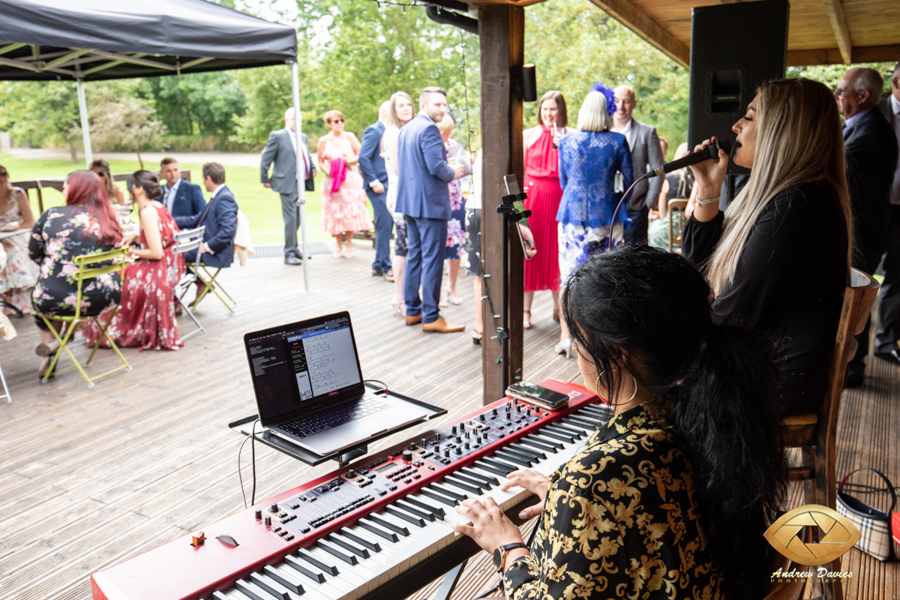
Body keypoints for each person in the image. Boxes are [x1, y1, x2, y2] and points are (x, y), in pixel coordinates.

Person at [453, 244, 786, 600]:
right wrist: (574, 505)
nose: (578, 354)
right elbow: (655, 513)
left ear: (616, 356)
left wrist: (508, 547)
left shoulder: (594, 479)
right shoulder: (712, 414)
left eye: (580, 340)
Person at [683, 78, 853, 416]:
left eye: (749, 116)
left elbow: (733, 313)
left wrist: (671, 349)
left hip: (772, 376)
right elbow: (699, 262)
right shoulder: (785, 196)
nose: (736, 127)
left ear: (782, 129)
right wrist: (708, 187)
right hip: (763, 358)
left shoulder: (798, 205)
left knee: (648, 380)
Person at [554, 86, 633, 357]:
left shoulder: (566, 142)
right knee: (605, 277)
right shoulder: (618, 142)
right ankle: (600, 339)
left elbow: (564, 182)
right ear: (607, 112)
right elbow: (630, 181)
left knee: (568, 278)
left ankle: (566, 337)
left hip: (570, 218)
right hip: (606, 217)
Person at [835, 67, 900, 385]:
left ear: (863, 96)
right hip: (861, 229)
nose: (837, 95)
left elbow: (834, 169)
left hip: (863, 232)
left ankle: (852, 369)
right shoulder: (858, 127)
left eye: (841, 90)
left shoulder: (872, 132)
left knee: (856, 297)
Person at [29, 170, 123, 378]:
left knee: (46, 298)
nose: (63, 191)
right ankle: (68, 333)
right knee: (69, 293)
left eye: (64, 187)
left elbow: (33, 253)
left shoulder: (51, 215)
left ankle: (52, 345)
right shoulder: (109, 217)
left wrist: (55, 265)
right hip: (106, 297)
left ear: (76, 190)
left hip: (56, 299)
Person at [84, 171, 185, 351]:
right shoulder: (157, 206)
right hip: (168, 266)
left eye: (130, 186)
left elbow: (156, 253)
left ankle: (114, 330)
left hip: (157, 269)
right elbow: (163, 238)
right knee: (118, 272)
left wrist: (130, 252)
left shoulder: (147, 212)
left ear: (138, 189)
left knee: (109, 278)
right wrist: (136, 238)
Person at [395, 86, 466, 333]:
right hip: (429, 205)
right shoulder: (428, 129)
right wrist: (455, 172)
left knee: (415, 254)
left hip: (410, 203)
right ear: (423, 105)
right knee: (433, 259)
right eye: (437, 104)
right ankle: (432, 316)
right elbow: (438, 167)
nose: (442, 109)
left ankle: (413, 311)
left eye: (444, 105)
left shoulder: (407, 128)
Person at [520, 91, 568, 330]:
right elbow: (517, 170)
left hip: (558, 200)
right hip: (531, 201)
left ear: (561, 111)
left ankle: (559, 308)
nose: (548, 114)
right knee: (529, 252)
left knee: (557, 253)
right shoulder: (528, 135)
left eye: (553, 109)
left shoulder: (570, 135)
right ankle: (525, 311)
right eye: (545, 109)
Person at [174, 162, 238, 305]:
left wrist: (207, 247)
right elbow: (196, 219)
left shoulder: (224, 198)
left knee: (170, 256)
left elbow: (228, 231)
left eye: (203, 179)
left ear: (208, 178)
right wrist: (169, 220)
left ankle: (173, 302)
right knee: (172, 252)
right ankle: (199, 284)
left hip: (215, 252)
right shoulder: (219, 196)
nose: (203, 183)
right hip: (201, 243)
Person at [611, 85, 665, 245]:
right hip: (607, 206)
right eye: (617, 101)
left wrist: (649, 204)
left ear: (634, 104)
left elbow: (659, 170)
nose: (620, 106)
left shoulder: (647, 132)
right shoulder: (602, 129)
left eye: (626, 102)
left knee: (633, 257)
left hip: (636, 205)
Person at [260, 107, 313, 266]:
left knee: (297, 218)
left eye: (299, 120)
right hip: (286, 184)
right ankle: (288, 253)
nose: (296, 123)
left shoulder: (302, 137)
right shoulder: (278, 136)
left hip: (300, 184)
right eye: (293, 119)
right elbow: (266, 158)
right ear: (286, 120)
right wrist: (265, 178)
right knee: (290, 219)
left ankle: (294, 248)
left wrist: (313, 168)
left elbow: (306, 156)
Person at [317, 109, 373, 258]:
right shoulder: (324, 140)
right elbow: (320, 161)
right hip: (333, 180)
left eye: (341, 120)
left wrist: (346, 161)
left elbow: (361, 153)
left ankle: (349, 246)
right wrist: (328, 171)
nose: (340, 124)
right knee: (336, 213)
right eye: (336, 121)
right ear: (329, 124)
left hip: (349, 179)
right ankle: (338, 246)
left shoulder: (349, 137)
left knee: (349, 213)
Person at [875, 63, 900, 366]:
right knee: (863, 271)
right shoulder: (874, 112)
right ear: (895, 83)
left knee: (897, 274)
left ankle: (885, 341)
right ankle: (850, 351)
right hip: (874, 208)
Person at [383, 91, 415, 316]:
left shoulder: (408, 130)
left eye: (408, 104)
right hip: (400, 198)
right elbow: (397, 168)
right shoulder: (394, 133)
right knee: (402, 248)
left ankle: (404, 296)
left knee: (406, 248)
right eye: (400, 105)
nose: (405, 108)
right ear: (394, 110)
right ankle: (399, 297)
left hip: (410, 196)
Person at [436, 114, 472, 307]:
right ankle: (437, 291)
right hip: (440, 200)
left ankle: (452, 286)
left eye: (449, 131)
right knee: (438, 247)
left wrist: (465, 161)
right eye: (445, 131)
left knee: (457, 246)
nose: (448, 135)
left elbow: (467, 169)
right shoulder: (432, 145)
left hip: (457, 200)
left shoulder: (454, 144)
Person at [359, 101, 394, 280]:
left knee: (384, 227)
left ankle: (378, 265)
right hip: (379, 187)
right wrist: (374, 182)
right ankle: (387, 266)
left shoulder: (389, 132)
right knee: (385, 226)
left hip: (389, 185)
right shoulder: (374, 130)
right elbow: (363, 158)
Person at [0, 164, 39, 314]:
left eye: (4, 174)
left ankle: (14, 301)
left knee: (11, 250)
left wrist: (11, 227)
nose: (2, 178)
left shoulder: (17, 193)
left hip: (18, 234)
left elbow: (30, 222)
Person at [648, 142, 693, 251]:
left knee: (652, 232)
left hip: (670, 229)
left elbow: (663, 212)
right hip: (690, 230)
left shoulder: (667, 178)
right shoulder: (697, 180)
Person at [466, 151, 484, 345]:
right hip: (480, 210)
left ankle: (480, 326)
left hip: (474, 210)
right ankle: (480, 325)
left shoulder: (480, 152)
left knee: (480, 274)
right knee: (481, 274)